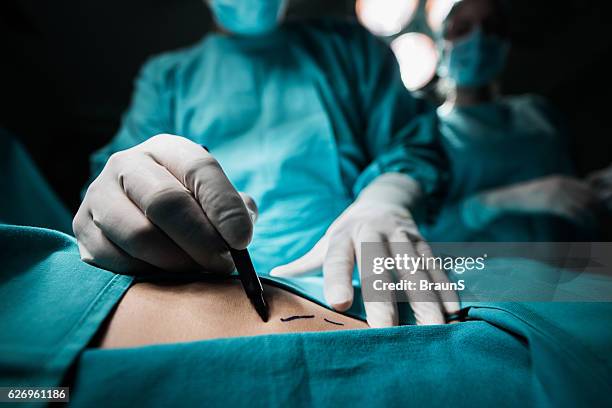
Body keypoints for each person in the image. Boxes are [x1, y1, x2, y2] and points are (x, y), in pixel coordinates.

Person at [73, 0, 458, 327]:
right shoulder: (168, 78)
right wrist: (119, 200)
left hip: (355, 277)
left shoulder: (351, 49)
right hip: (205, 293)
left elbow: (411, 145)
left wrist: (387, 197)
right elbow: (120, 180)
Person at [422, 0, 600, 242]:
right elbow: (424, 232)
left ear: (506, 45)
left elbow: (573, 201)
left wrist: (595, 193)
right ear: (442, 47)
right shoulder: (431, 132)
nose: (478, 40)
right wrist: (496, 202)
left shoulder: (537, 112)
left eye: (491, 29)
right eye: (462, 29)